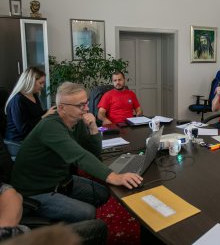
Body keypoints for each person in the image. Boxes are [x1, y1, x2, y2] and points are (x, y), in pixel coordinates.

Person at [11, 82, 143, 223]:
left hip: (61, 180)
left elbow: (93, 153)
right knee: (88, 212)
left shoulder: (77, 121)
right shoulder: (50, 126)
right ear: (62, 108)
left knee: (103, 194)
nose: (86, 109)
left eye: (86, 103)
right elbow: (80, 155)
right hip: (36, 191)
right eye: (81, 106)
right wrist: (115, 177)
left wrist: (93, 128)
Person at [0, 182, 107, 244]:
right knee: (97, 226)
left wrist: (7, 224)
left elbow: (7, 190)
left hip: (22, 232)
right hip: (25, 240)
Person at [4, 67, 56, 157]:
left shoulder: (34, 95)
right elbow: (23, 130)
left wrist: (50, 111)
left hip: (31, 136)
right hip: (17, 142)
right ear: (30, 81)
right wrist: (44, 116)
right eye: (40, 83)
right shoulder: (18, 100)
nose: (42, 86)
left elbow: (36, 116)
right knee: (52, 151)